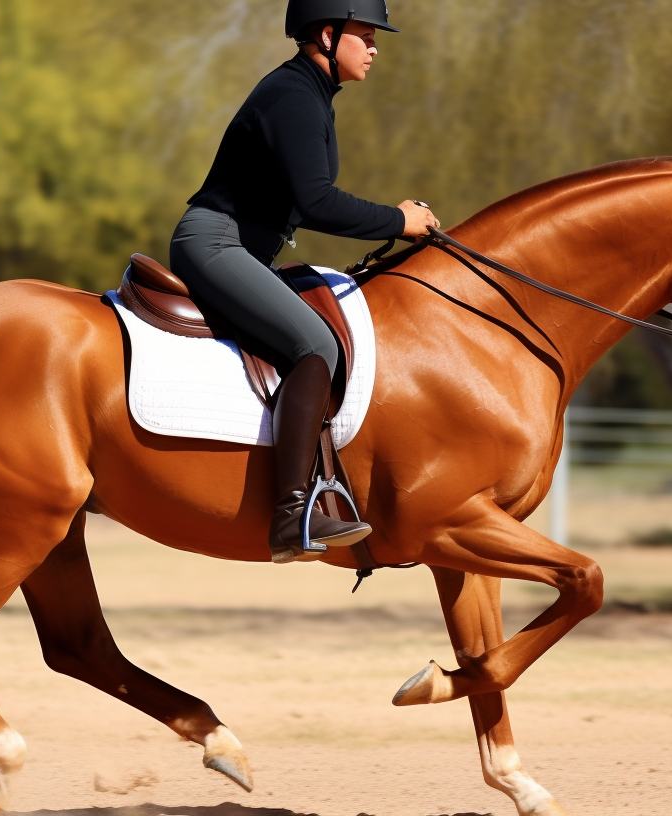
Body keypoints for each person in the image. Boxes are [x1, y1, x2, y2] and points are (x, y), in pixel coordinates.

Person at [169, 0, 440, 564]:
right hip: (216, 244)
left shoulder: (310, 94)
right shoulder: (294, 96)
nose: (373, 46)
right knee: (315, 343)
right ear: (326, 33)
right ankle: (293, 511)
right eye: (364, 34)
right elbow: (315, 202)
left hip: (239, 248)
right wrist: (399, 220)